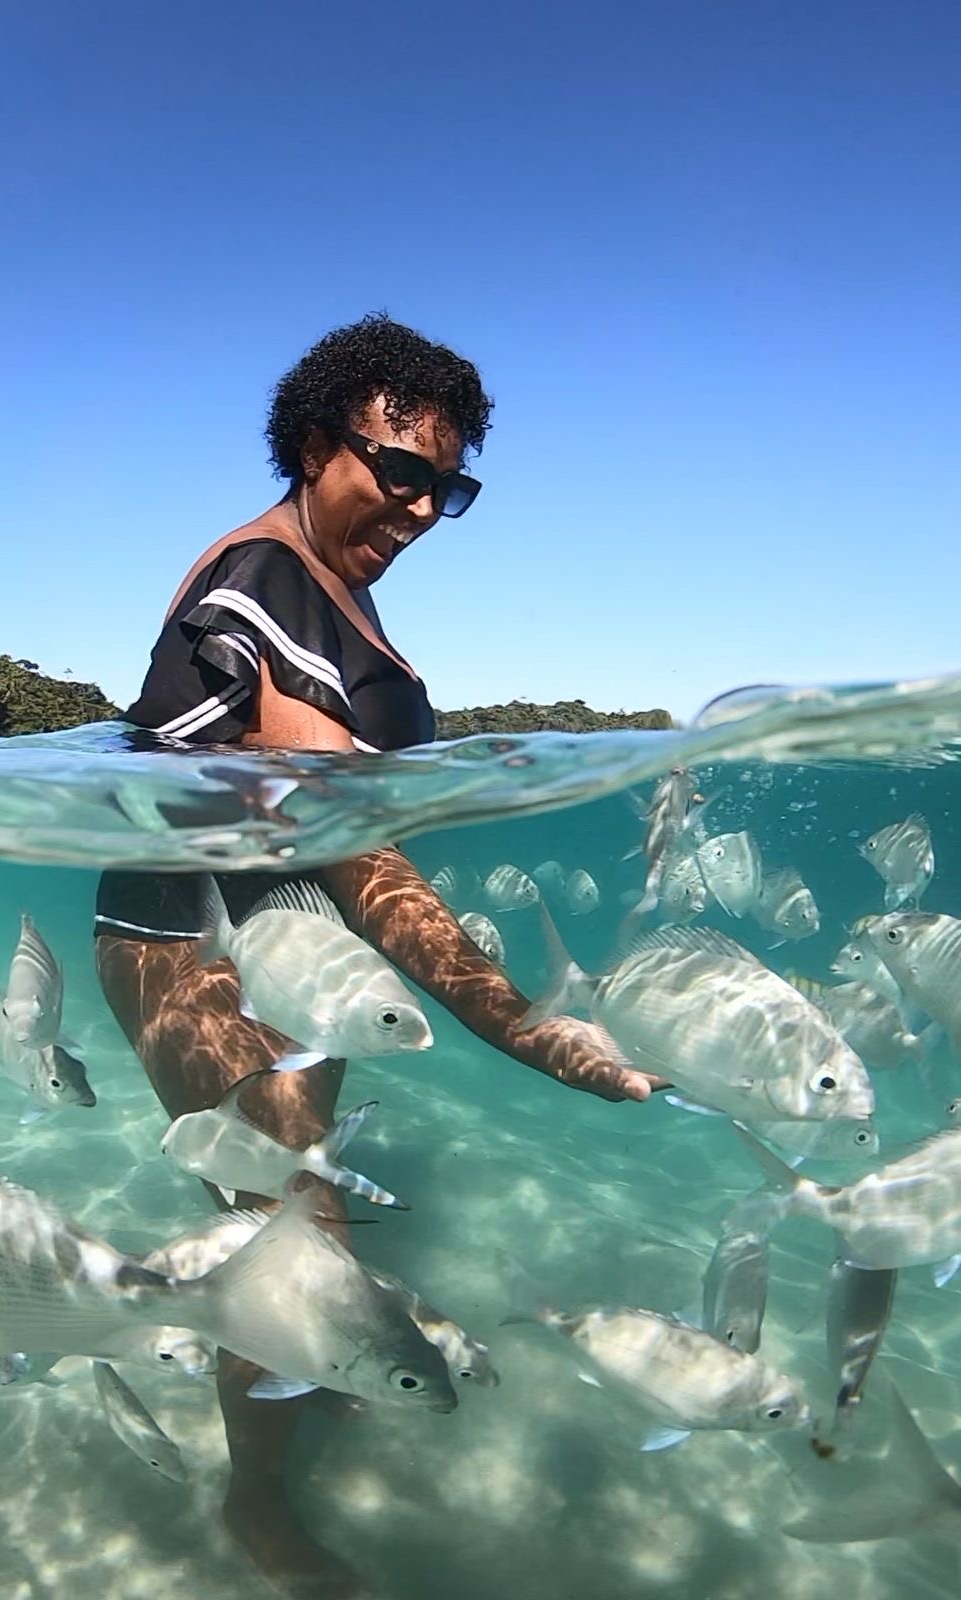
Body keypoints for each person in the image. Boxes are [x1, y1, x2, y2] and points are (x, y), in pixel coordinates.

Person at [95, 313, 657, 1597]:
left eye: (446, 488)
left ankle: (317, 1364)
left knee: (307, 1214)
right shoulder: (268, 584)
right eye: (395, 469)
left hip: (296, 948)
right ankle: (254, 1504)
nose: (416, 506)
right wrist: (517, 1024)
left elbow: (340, 851)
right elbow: (355, 851)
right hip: (194, 937)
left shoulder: (340, 601)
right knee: (295, 1231)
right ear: (313, 441)